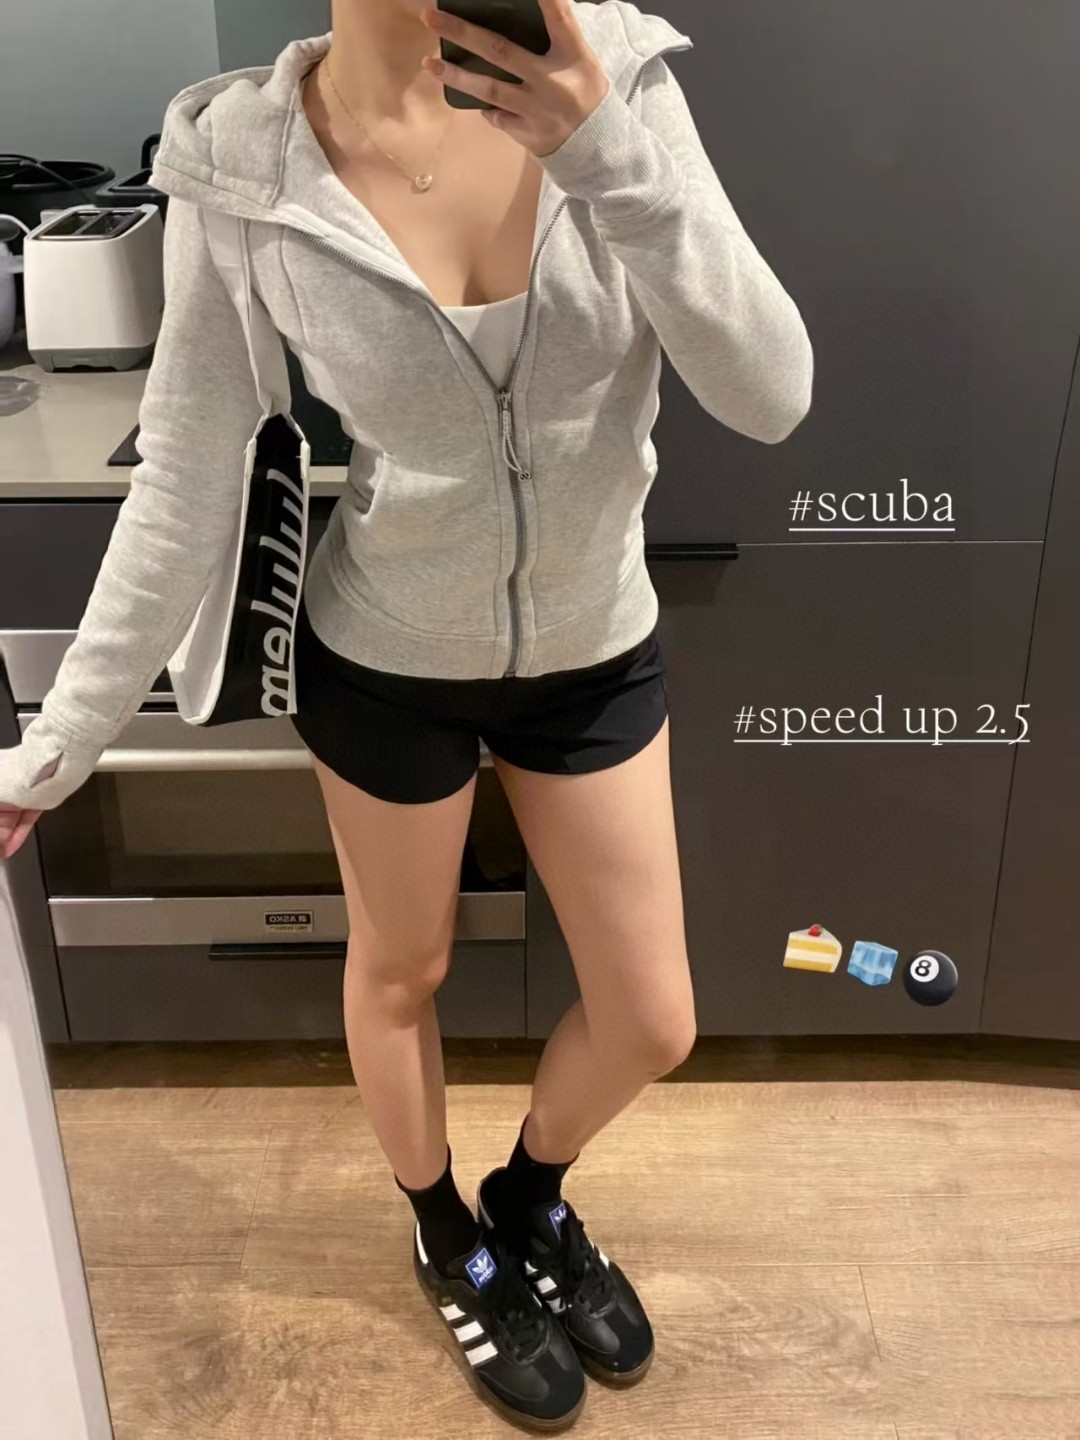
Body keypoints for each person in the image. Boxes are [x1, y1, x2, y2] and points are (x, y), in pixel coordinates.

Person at [0, 0, 813, 1427]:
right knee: (401, 970)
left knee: (652, 1017)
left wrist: (606, 156)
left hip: (592, 649)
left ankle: (530, 1195)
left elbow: (772, 394)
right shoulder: (242, 166)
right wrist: (53, 749)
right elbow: (185, 479)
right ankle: (447, 1233)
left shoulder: (615, 83)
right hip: (383, 660)